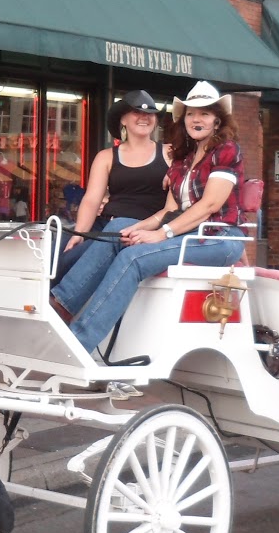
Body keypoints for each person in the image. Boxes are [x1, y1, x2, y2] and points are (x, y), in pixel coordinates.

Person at [51, 80, 247, 355]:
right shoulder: (183, 159)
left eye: (205, 113)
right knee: (122, 234)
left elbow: (209, 205)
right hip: (190, 235)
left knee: (133, 259)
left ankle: (77, 343)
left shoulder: (226, 150)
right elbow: (167, 211)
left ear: (217, 120)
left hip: (219, 238)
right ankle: (61, 305)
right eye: (191, 113)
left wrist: (160, 234)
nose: (196, 118)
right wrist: (135, 230)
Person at [56, 90, 170, 282]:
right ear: (123, 120)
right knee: (64, 255)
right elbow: (92, 199)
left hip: (146, 230)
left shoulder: (171, 153)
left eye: (150, 113)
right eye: (137, 112)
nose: (144, 117)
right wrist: (80, 233)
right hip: (107, 227)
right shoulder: (106, 156)